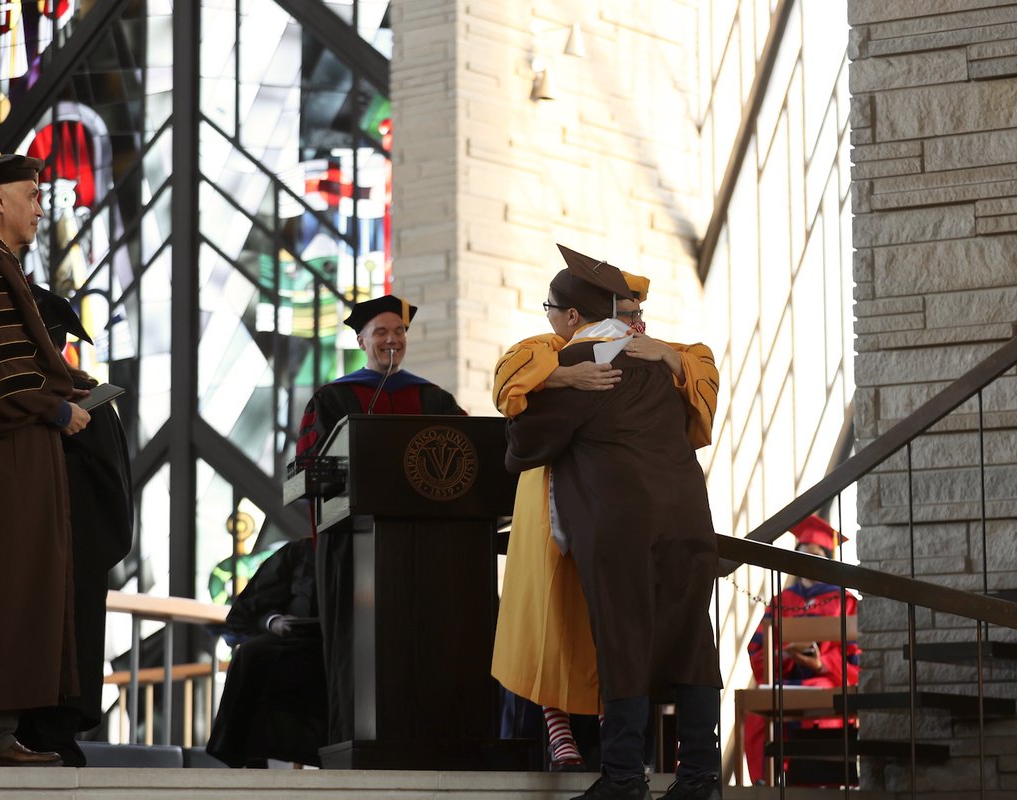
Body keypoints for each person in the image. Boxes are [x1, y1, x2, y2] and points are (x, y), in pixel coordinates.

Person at [505, 248, 722, 800]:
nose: (549, 318)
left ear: (572, 314)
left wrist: (553, 383)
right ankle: (700, 777)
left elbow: (523, 447)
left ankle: (626, 779)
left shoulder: (584, 364)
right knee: (694, 642)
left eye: (552, 307)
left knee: (623, 642)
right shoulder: (664, 362)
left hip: (621, 528)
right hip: (689, 523)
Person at [295, 294, 465, 745]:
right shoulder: (332, 399)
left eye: (400, 331)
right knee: (361, 647)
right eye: (381, 332)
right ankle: (358, 740)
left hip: (428, 550)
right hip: (355, 549)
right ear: (361, 339)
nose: (392, 340)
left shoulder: (434, 397)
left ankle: (435, 741)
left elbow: (470, 457)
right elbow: (309, 472)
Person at [0, 152, 90, 767]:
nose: (39, 205)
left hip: (26, 449)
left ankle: (4, 730)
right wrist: (54, 409)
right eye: (29, 193)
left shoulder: (7, 266)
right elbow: (2, 369)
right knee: (11, 581)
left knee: (27, 580)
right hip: (10, 449)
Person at [14, 286, 133, 767]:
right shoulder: (18, 401)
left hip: (72, 552)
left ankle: (53, 731)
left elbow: (112, 488)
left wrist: (77, 549)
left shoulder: (89, 399)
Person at [744, 516, 860, 786]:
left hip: (827, 678)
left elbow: (859, 658)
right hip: (785, 677)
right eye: (801, 554)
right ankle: (764, 781)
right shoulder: (781, 601)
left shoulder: (844, 600)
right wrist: (782, 656)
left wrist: (821, 664)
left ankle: (822, 779)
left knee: (811, 695)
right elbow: (757, 650)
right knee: (760, 705)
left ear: (827, 558)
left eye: (814, 554)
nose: (806, 561)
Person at [206, 537, 326, 767]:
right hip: (299, 641)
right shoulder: (302, 551)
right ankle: (244, 756)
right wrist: (274, 622)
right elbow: (246, 613)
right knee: (253, 654)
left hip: (346, 650)